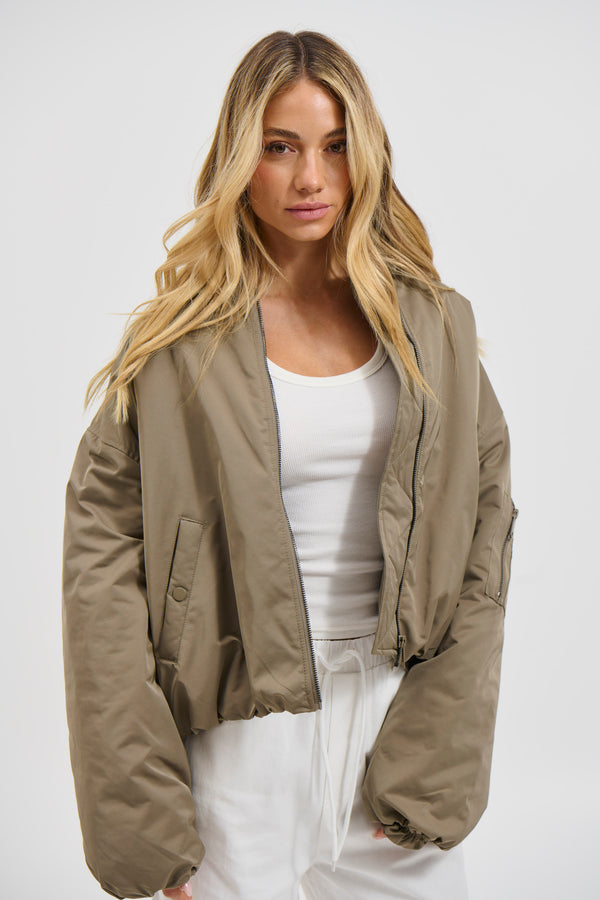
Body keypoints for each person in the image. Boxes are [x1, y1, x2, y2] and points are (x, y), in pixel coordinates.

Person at [61, 29, 518, 900]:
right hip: (240, 743)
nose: (311, 177)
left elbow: (483, 545)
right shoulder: (177, 347)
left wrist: (441, 747)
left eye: (335, 146)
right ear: (242, 158)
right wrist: (144, 818)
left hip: (393, 727)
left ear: (365, 155)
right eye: (280, 147)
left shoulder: (434, 327)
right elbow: (101, 578)